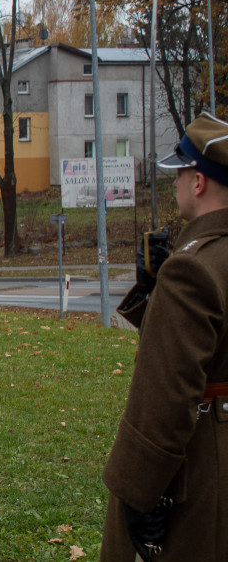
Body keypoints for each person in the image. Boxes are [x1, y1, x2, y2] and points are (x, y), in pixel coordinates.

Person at [100, 113, 228, 562]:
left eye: (180, 172)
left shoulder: (192, 269)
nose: (175, 183)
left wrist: (139, 491)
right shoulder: (202, 261)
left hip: (203, 471)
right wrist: (156, 293)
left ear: (198, 183)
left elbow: (166, 396)